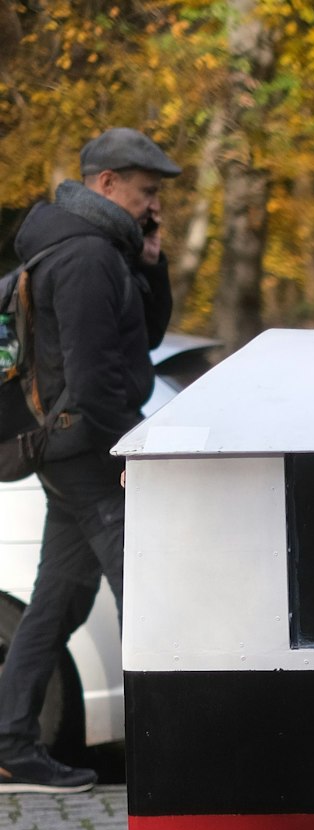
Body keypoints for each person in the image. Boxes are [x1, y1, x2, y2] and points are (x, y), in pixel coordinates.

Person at [0, 128, 177, 793]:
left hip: (74, 451)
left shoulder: (105, 251)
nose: (154, 204)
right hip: (89, 454)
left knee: (61, 598)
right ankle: (164, 757)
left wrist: (153, 261)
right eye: (147, 191)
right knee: (149, 595)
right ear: (107, 183)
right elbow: (96, 377)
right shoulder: (84, 258)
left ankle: (13, 742)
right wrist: (131, 445)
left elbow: (145, 338)